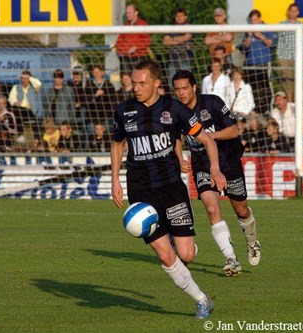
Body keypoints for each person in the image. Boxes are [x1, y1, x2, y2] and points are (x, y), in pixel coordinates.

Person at [111, 60, 226, 319]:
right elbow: (117, 144)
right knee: (164, 254)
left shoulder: (175, 109)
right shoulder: (124, 110)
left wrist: (215, 168)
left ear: (156, 83)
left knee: (186, 254)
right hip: (140, 190)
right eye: (133, 83)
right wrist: (115, 180)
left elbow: (207, 139)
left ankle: (179, 241)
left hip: (172, 188)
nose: (136, 88)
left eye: (142, 83)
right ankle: (201, 300)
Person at [172, 70, 261, 276]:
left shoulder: (212, 102)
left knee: (241, 210)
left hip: (229, 163)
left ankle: (252, 242)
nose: (181, 93)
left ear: (194, 87)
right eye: (177, 89)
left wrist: (208, 136)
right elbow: (175, 138)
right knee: (212, 208)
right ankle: (231, 259)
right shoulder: (176, 111)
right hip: (203, 165)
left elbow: (234, 131)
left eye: (185, 88)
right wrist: (180, 158)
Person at [241, 9, 276, 114]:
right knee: (253, 88)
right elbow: (245, 47)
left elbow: (271, 44)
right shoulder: (248, 32)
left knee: (266, 86)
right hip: (251, 63)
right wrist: (250, 36)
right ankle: (256, 110)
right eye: (252, 20)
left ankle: (268, 109)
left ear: (260, 19)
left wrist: (260, 35)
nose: (254, 22)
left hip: (264, 62)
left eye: (255, 20)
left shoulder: (268, 29)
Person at [277, 3, 303, 102]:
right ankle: (289, 106)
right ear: (288, 12)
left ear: (298, 12)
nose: (293, 13)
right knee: (288, 83)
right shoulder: (282, 24)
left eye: (295, 11)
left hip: (298, 58)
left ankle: (297, 107)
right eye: (291, 11)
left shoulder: (302, 25)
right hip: (285, 57)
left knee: (298, 83)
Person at [115, 3, 151, 73]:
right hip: (125, 57)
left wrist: (136, 47)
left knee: (138, 77)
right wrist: (123, 50)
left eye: (129, 12)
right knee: (126, 78)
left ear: (136, 13)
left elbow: (147, 41)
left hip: (138, 57)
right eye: (126, 13)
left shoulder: (142, 24)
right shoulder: (125, 25)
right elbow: (119, 41)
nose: (127, 15)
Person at [8, 70, 44, 137]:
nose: (24, 80)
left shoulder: (34, 88)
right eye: (22, 78)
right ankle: (17, 135)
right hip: (19, 110)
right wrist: (14, 102)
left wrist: (29, 77)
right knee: (15, 111)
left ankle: (20, 135)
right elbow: (11, 98)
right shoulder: (16, 87)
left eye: (26, 78)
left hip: (31, 111)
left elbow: (39, 84)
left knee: (17, 112)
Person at [163, 8, 193, 82]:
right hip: (172, 59)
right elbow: (165, 42)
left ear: (185, 17)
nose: (179, 18)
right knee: (172, 82)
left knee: (187, 81)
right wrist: (180, 39)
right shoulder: (171, 27)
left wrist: (172, 39)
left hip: (185, 59)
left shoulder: (189, 26)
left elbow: (187, 37)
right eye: (177, 16)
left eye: (181, 16)